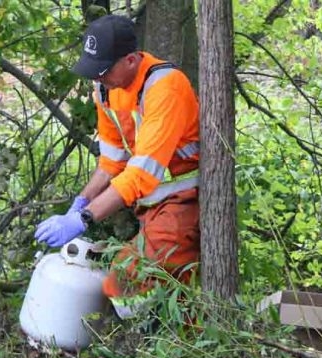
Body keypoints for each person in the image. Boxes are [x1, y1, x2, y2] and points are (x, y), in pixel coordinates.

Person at [34, 14, 200, 316]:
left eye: (104, 70)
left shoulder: (165, 87)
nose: (97, 78)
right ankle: (167, 349)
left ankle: (154, 342)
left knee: (125, 280)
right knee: (175, 289)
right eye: (93, 71)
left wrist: (83, 218)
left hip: (183, 203)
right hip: (150, 208)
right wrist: (80, 202)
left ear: (132, 60)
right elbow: (111, 162)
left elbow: (140, 175)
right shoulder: (105, 89)